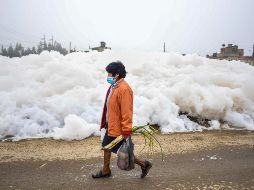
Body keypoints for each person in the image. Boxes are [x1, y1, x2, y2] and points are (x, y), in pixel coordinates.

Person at [92, 61, 152, 179]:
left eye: (109, 74)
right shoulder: (114, 86)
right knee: (107, 147)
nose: (108, 76)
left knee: (123, 154)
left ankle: (144, 164)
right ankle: (105, 170)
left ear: (117, 74)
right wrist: (105, 122)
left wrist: (126, 130)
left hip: (119, 128)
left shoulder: (124, 89)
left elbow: (127, 111)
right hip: (111, 124)